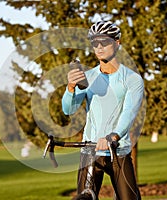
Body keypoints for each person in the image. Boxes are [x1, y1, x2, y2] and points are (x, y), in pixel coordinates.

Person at [62, 21, 144, 200]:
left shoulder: (132, 79)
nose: (99, 47)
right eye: (94, 43)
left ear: (117, 42)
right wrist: (70, 88)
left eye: (104, 42)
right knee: (85, 198)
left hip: (118, 151)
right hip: (90, 151)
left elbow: (129, 113)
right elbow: (69, 109)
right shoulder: (88, 77)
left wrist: (113, 136)